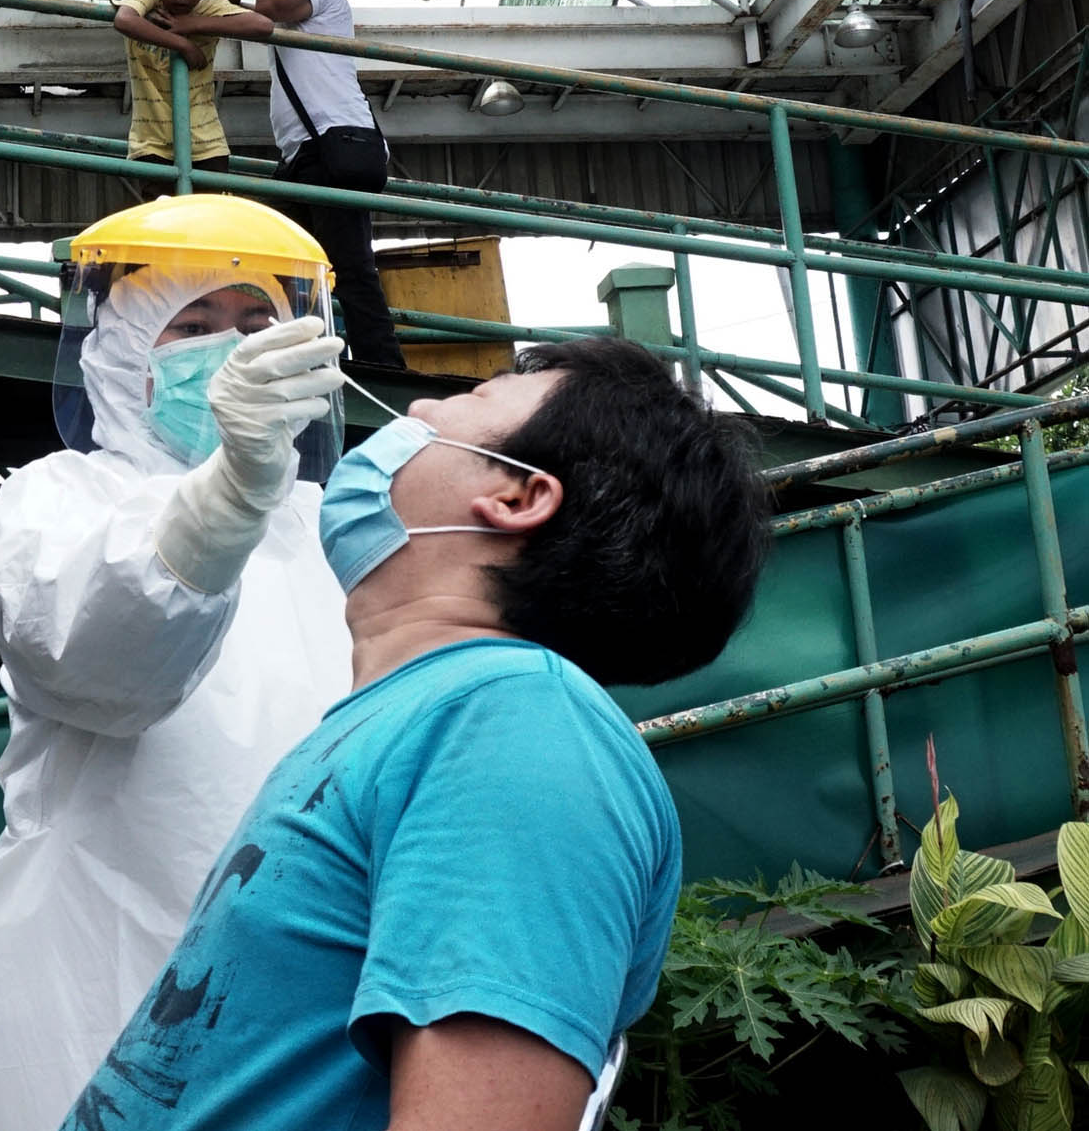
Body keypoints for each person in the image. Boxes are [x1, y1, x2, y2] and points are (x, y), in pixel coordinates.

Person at [62, 338, 771, 1130]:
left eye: (470, 400)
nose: (416, 411)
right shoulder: (422, 717)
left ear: (517, 496)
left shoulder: (516, 726)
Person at [0, 194, 355, 1131]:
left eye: (256, 321)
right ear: (122, 357)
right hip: (119, 965)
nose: (234, 347)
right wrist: (227, 498)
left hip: (323, 982)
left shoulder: (330, 524)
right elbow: (108, 663)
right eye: (192, 327)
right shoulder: (60, 501)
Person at [252, 0, 406, 369]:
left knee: (351, 268)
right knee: (281, 262)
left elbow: (270, 3)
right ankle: (300, 359)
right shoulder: (283, 14)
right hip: (307, 154)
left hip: (333, 148)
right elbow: (229, 4)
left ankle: (383, 369)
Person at [112, 0, 274, 201]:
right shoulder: (147, 0)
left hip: (208, 146)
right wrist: (183, 44)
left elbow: (264, 25)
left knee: (206, 230)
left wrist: (193, 23)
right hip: (152, 146)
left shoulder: (207, 9)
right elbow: (124, 20)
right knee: (166, 231)